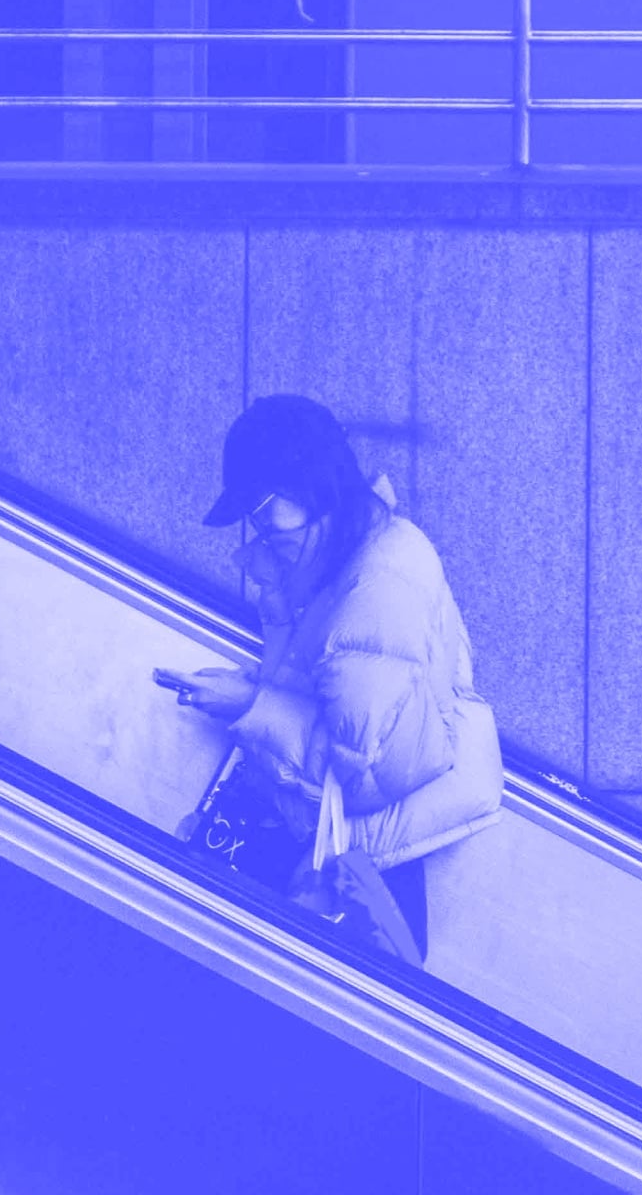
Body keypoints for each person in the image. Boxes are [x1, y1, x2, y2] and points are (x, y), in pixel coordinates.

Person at [159, 394, 503, 962]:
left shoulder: (380, 589)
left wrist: (250, 705)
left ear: (314, 484)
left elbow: (364, 774)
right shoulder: (341, 561)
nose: (258, 524)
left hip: (356, 871)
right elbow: (338, 699)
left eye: (265, 504)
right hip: (336, 854)